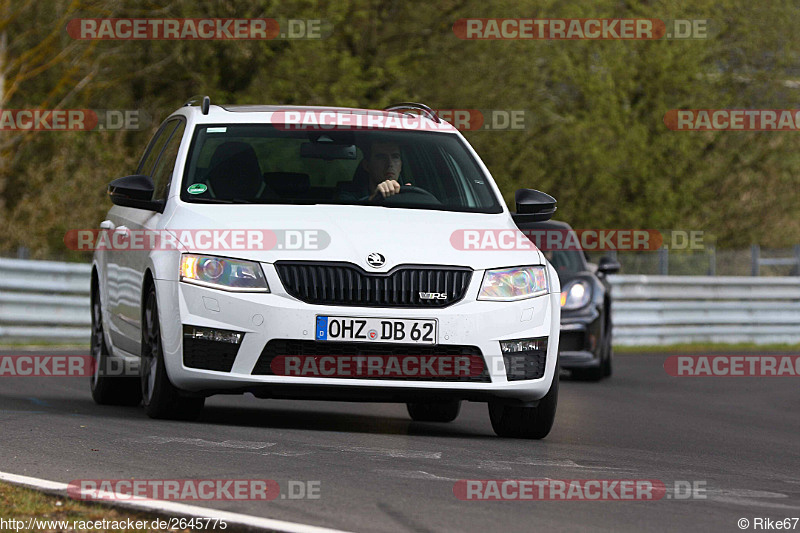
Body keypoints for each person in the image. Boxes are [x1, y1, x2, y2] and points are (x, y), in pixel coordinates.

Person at [339, 141, 411, 201]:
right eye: (381, 157)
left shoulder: (409, 194)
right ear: (367, 165)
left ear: (401, 165)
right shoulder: (347, 196)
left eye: (395, 157)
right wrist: (373, 199)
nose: (390, 164)